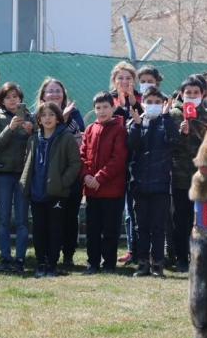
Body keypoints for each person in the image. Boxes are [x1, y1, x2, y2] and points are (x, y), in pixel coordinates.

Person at [21, 102, 81, 278]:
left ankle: (52, 264)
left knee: (55, 229)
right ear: (38, 119)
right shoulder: (33, 139)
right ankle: (41, 263)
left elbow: (75, 163)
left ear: (58, 118)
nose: (47, 118)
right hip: (37, 192)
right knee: (39, 229)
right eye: (44, 115)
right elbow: (28, 162)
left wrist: (63, 182)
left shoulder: (66, 137)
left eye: (51, 114)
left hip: (57, 193)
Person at [126, 86, 179, 277]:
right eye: (149, 102)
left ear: (164, 104)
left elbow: (174, 140)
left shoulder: (167, 122)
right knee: (141, 227)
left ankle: (158, 264)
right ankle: (142, 264)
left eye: (158, 102)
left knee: (158, 226)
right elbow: (132, 146)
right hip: (139, 185)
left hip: (162, 186)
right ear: (143, 104)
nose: (154, 105)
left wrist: (166, 117)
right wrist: (138, 125)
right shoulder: (136, 122)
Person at [169, 75, 207, 272]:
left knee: (202, 220)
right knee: (180, 219)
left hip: (201, 178)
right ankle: (180, 257)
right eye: (188, 92)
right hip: (179, 177)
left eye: (196, 92)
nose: (192, 96)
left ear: (203, 94)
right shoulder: (173, 114)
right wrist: (182, 134)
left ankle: (200, 258)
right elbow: (168, 145)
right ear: (181, 94)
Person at [80, 91, 129, 275]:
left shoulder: (119, 130)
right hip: (91, 190)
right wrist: (85, 176)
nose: (102, 111)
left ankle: (109, 263)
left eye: (105, 107)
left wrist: (99, 178)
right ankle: (92, 263)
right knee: (92, 229)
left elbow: (118, 160)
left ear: (113, 107)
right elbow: (82, 156)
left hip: (111, 190)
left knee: (110, 229)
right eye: (98, 108)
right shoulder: (90, 129)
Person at [36, 78, 84, 267]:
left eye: (58, 91)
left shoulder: (74, 114)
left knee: (70, 216)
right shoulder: (38, 115)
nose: (55, 94)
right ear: (43, 95)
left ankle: (68, 254)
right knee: (47, 220)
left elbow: (78, 141)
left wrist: (63, 119)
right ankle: (47, 255)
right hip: (45, 180)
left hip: (69, 177)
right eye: (50, 91)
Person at [0, 82, 33, 272]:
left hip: (24, 174)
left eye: (15, 97)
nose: (12, 100)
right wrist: (10, 128)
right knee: (3, 218)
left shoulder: (30, 117)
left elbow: (38, 143)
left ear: (21, 98)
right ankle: (5, 257)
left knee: (23, 219)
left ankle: (20, 258)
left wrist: (32, 132)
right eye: (8, 97)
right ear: (1, 100)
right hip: (3, 173)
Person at [109, 61, 141, 265]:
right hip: (113, 161)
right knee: (117, 208)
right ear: (114, 80)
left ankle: (136, 250)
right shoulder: (108, 100)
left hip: (135, 161)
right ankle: (119, 249)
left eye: (128, 78)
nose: (124, 82)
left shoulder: (140, 100)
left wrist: (131, 103)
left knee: (133, 209)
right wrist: (118, 107)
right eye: (120, 78)